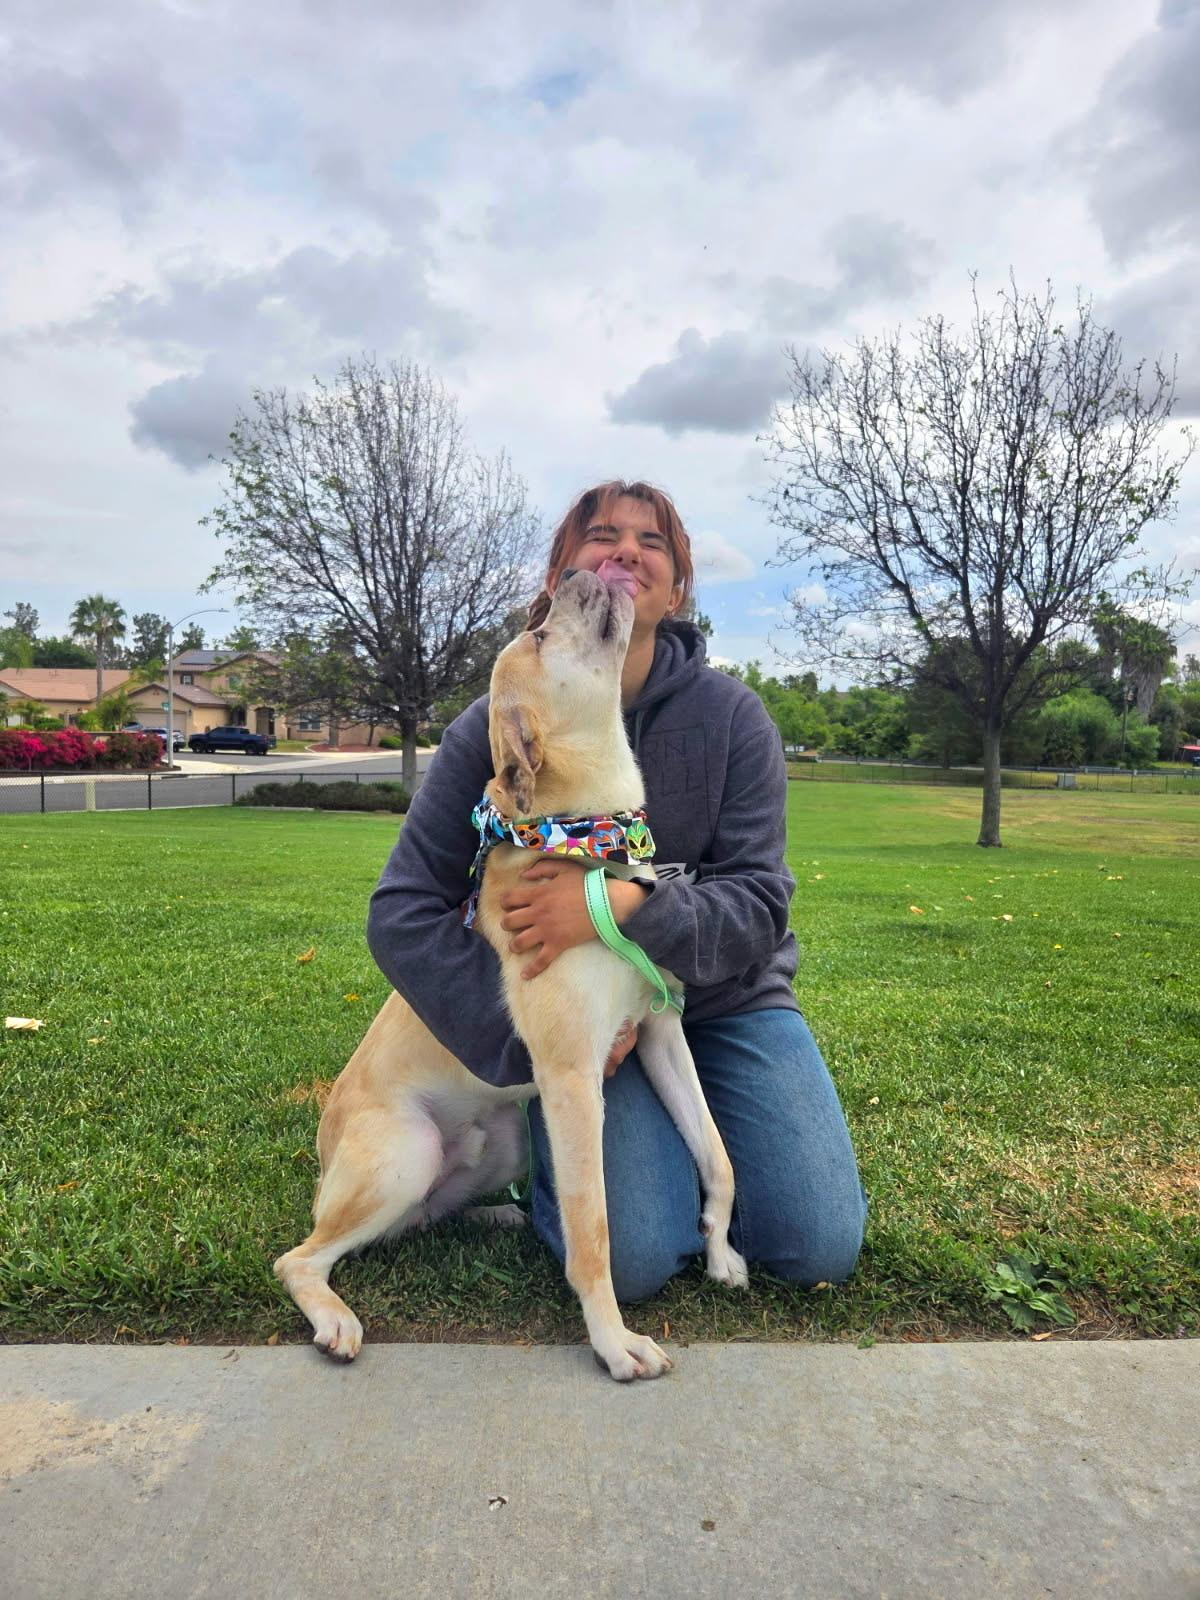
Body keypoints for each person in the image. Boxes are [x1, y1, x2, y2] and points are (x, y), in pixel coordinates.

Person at [367, 480, 868, 1302]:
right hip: (601, 1027)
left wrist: (609, 905)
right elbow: (402, 912)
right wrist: (533, 1044)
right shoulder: (496, 720)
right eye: (602, 536)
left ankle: (712, 1177)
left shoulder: (734, 719)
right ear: (563, 576)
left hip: (729, 1000)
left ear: (675, 590)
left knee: (816, 1245)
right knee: (635, 1264)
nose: (626, 550)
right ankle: (584, 1181)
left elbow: (759, 901)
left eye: (652, 542)